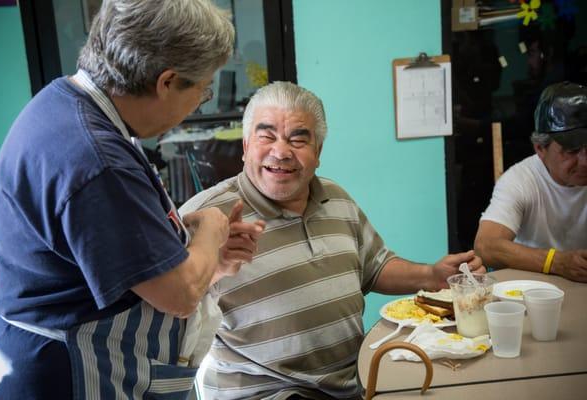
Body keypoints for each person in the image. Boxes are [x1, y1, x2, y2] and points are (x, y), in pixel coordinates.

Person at [0, 1, 263, 399]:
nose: (195, 107)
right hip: (69, 372)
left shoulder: (64, 104)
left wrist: (209, 264)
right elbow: (179, 295)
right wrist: (209, 232)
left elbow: (119, 261)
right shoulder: (97, 159)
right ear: (166, 82)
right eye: (202, 92)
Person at [179, 81, 485, 399]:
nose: (281, 151)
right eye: (266, 136)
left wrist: (433, 276)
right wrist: (213, 265)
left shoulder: (336, 199)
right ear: (245, 146)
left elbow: (375, 266)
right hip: (264, 393)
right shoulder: (206, 217)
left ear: (318, 152)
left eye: (298, 139)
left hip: (348, 384)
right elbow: (169, 306)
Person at [475, 82, 587, 282]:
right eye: (571, 151)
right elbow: (486, 245)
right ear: (540, 149)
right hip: (534, 290)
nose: (585, 161)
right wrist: (556, 262)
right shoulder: (520, 180)